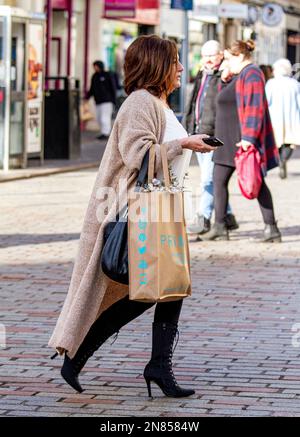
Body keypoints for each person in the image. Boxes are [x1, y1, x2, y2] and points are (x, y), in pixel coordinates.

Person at [49, 35, 216, 398]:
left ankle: (153, 365)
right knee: (151, 288)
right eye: (175, 63)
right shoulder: (139, 102)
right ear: (157, 65)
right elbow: (138, 153)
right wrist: (183, 143)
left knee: (169, 286)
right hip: (135, 209)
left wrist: (186, 143)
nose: (181, 69)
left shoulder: (158, 103)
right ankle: (84, 356)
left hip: (161, 207)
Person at [203, 40, 282, 243]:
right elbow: (225, 100)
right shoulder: (239, 75)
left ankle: (271, 227)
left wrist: (248, 138)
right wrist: (224, 80)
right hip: (227, 138)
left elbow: (255, 107)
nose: (225, 63)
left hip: (239, 139)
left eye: (228, 59)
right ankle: (220, 226)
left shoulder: (252, 73)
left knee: (255, 182)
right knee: (219, 181)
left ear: (239, 57)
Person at [184, 40, 238, 238]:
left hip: (214, 133)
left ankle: (203, 218)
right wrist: (189, 127)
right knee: (213, 179)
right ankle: (228, 216)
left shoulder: (225, 75)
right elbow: (195, 102)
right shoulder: (202, 73)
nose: (207, 60)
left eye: (211, 55)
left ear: (220, 55)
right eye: (204, 55)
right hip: (199, 129)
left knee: (208, 178)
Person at [265, 58, 300, 179]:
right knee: (289, 143)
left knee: (276, 142)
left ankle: (279, 160)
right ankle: (284, 160)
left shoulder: (271, 84)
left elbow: (266, 101)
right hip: (292, 118)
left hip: (274, 118)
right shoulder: (295, 84)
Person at [86, 61, 116, 140]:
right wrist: (87, 97)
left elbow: (113, 87)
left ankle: (106, 133)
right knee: (99, 118)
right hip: (98, 101)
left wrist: (113, 100)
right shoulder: (94, 76)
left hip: (107, 101)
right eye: (94, 66)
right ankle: (103, 132)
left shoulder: (107, 75)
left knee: (104, 117)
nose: (95, 68)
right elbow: (92, 88)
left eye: (96, 66)